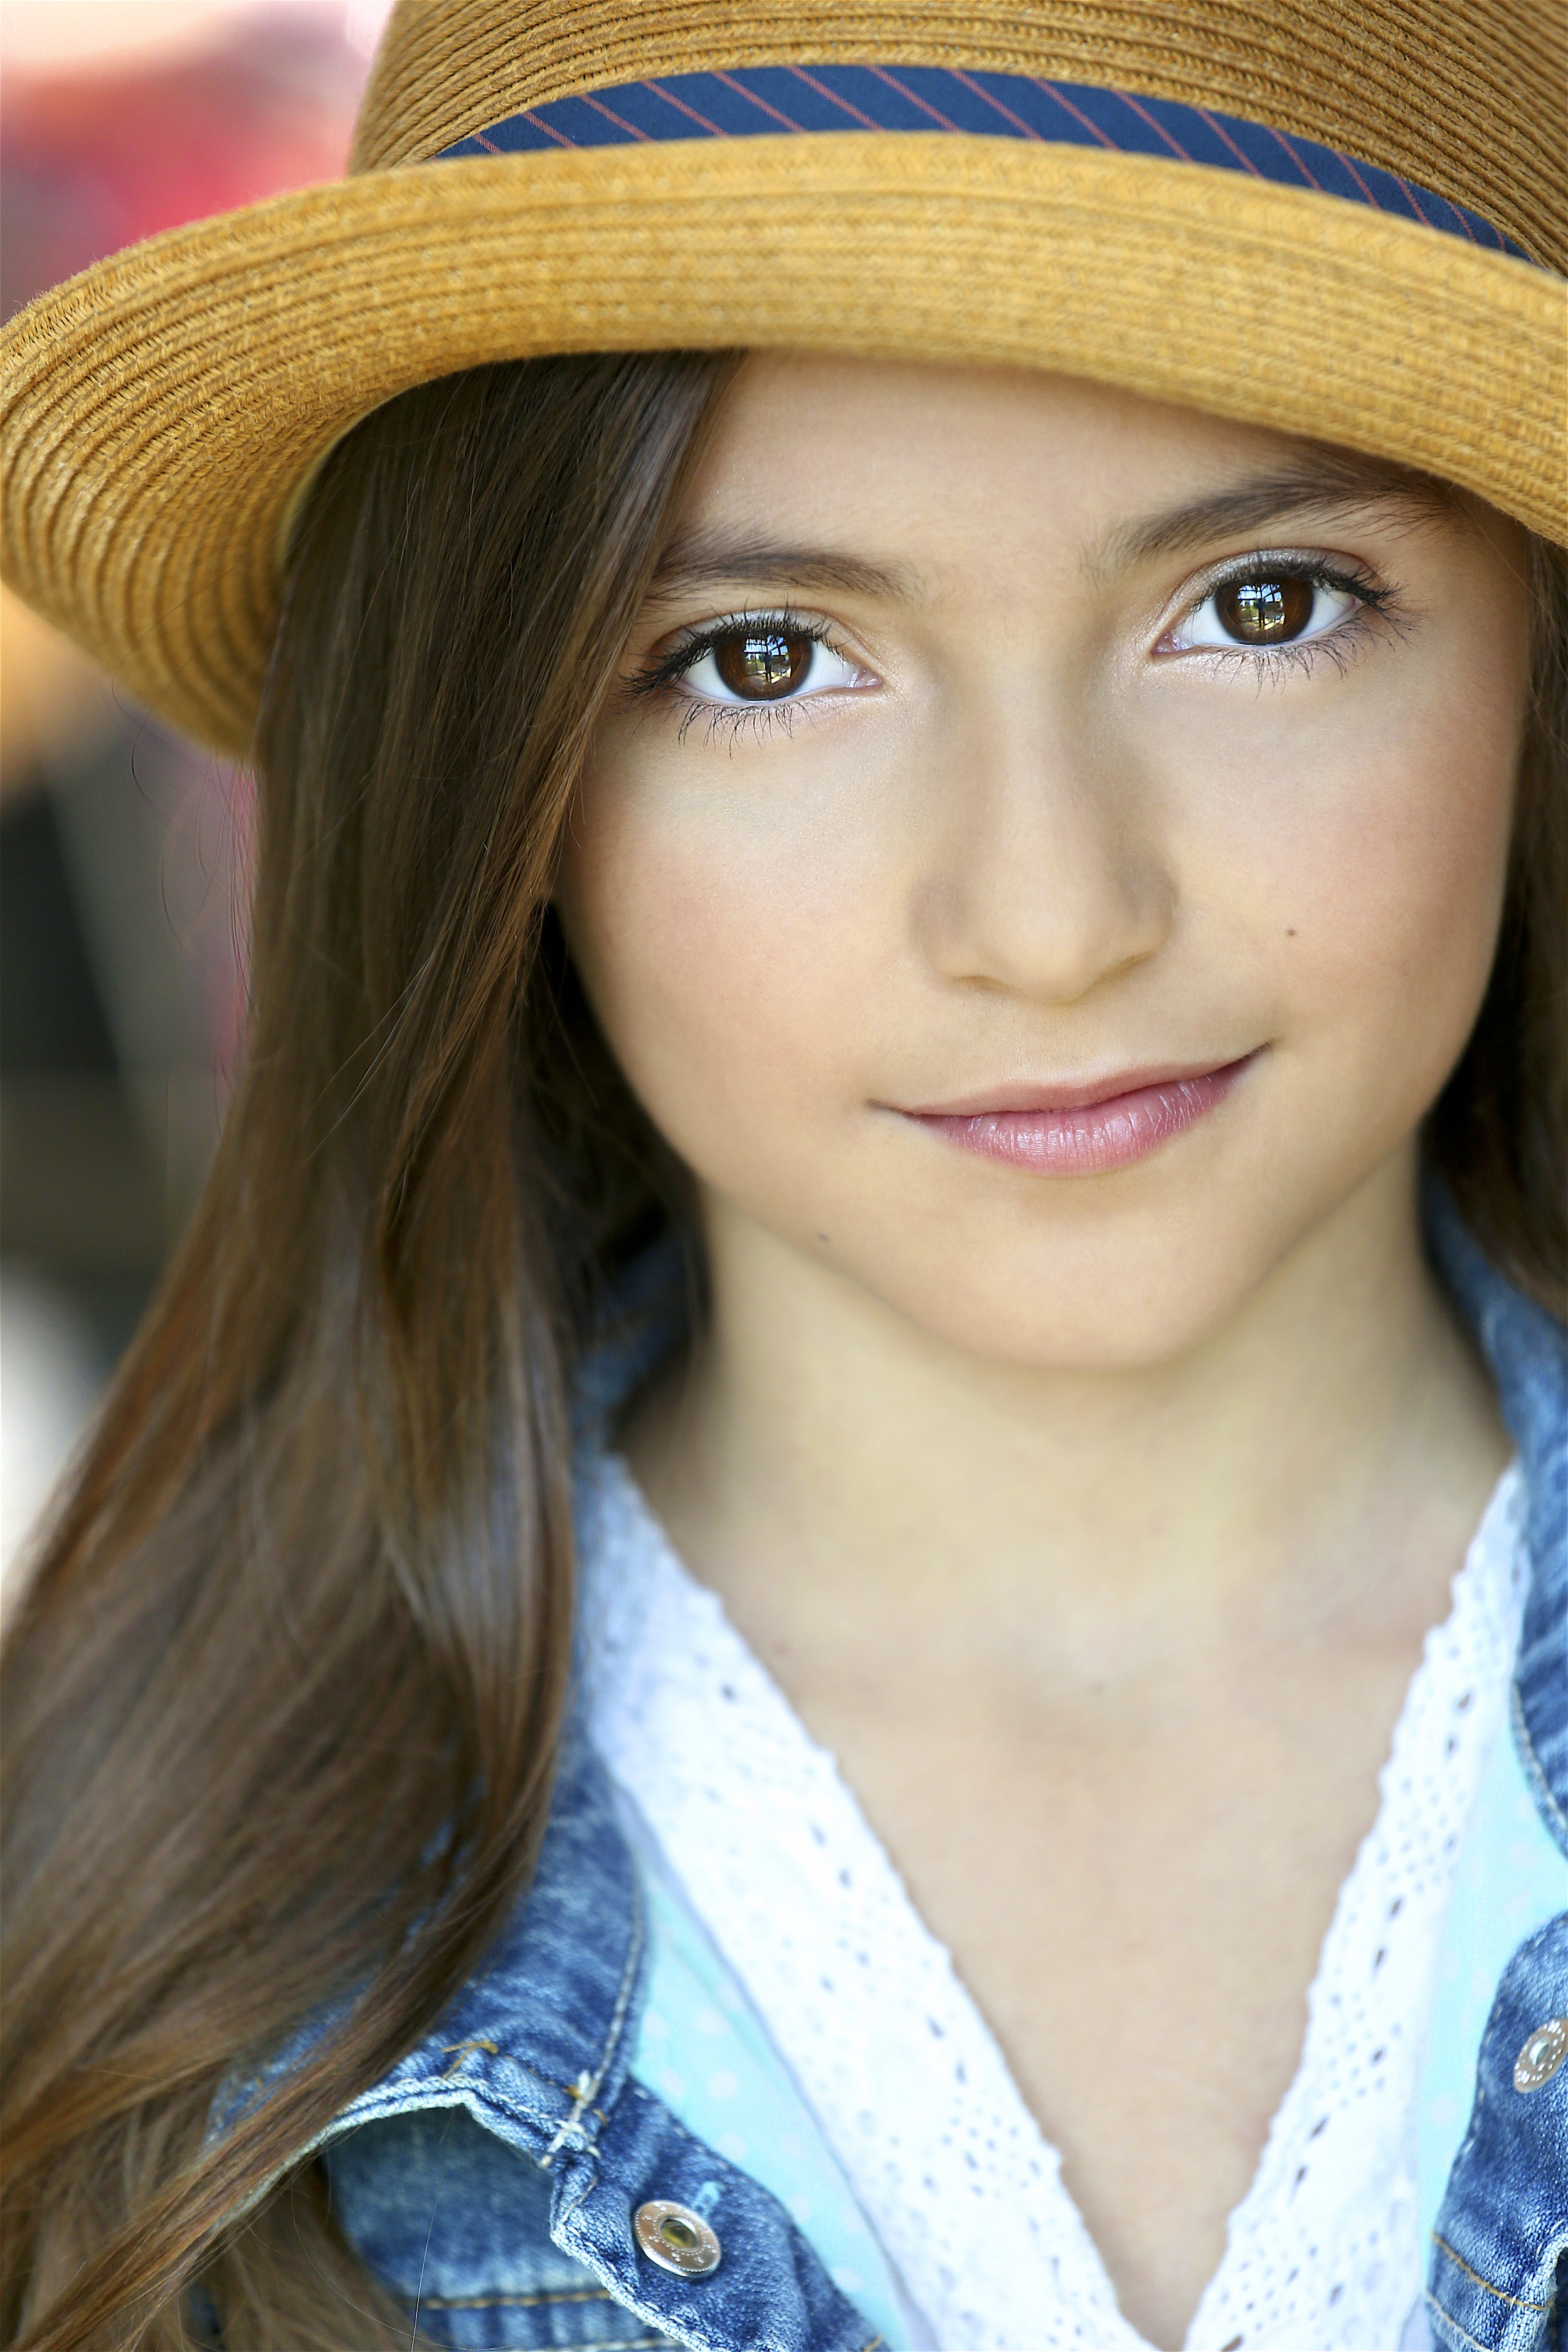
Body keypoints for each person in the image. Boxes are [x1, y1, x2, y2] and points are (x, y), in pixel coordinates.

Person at [1, 6, 1563, 2349]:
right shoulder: (106, 1950)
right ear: (498, 772)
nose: (1045, 921)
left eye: (1258, 607)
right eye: (757, 658)